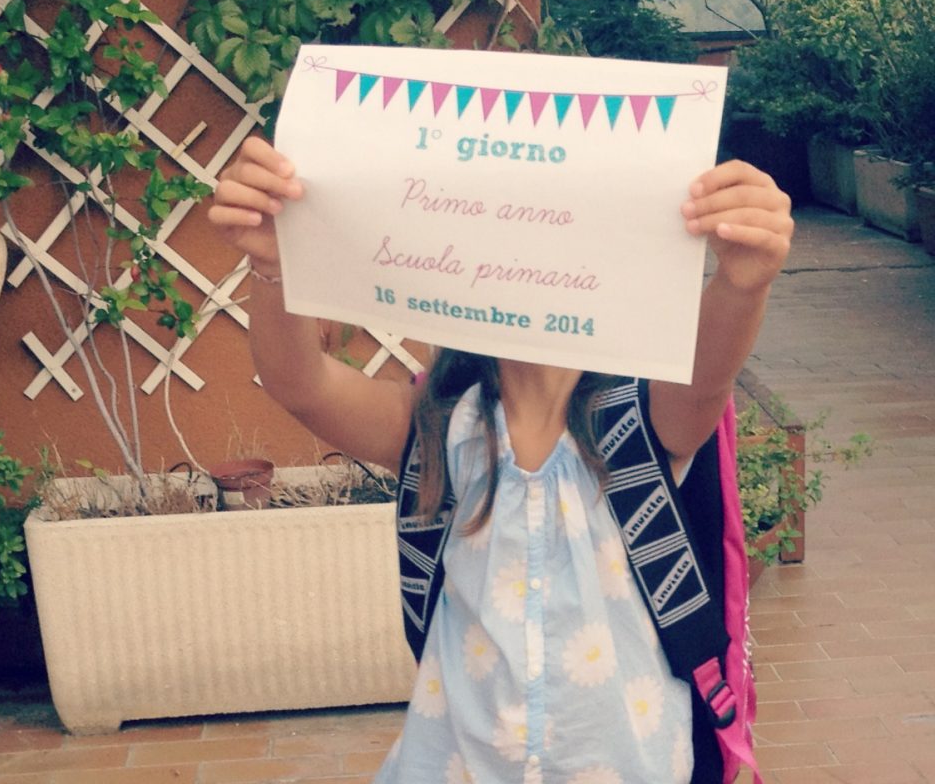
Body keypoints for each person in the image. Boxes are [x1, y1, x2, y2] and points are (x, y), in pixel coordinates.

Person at [208, 135, 793, 784]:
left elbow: (708, 375)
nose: (528, 261)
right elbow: (302, 384)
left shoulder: (644, 423)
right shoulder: (439, 425)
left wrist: (743, 283)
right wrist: (274, 268)